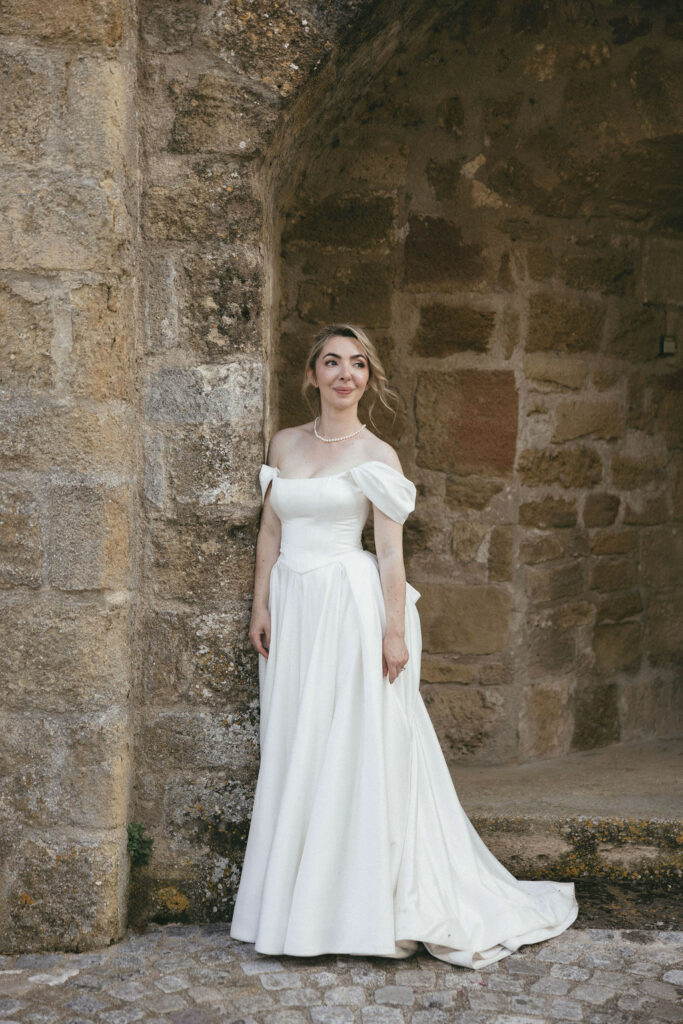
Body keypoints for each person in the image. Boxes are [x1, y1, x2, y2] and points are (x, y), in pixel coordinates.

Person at [229, 323, 578, 968]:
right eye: (332, 362)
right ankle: (295, 906)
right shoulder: (284, 443)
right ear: (311, 375)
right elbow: (271, 532)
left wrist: (393, 632)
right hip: (296, 611)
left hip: (349, 610)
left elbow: (390, 555)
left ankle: (361, 909)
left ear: (369, 378)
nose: (345, 374)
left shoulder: (377, 456)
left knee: (351, 747)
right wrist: (261, 605)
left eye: (358, 364)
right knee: (298, 744)